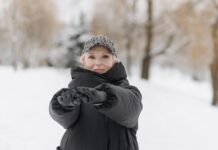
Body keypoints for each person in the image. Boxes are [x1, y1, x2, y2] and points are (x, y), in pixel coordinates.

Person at [49, 35, 143, 150]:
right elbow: (65, 120)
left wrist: (105, 96)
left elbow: (131, 110)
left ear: (114, 59)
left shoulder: (128, 90)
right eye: (92, 57)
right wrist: (63, 106)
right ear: (84, 60)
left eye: (105, 56)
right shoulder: (75, 90)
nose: (98, 63)